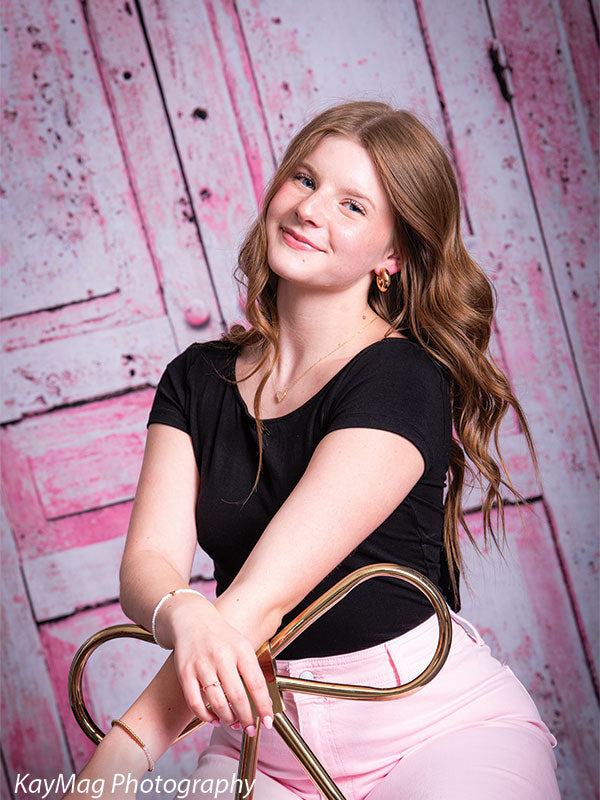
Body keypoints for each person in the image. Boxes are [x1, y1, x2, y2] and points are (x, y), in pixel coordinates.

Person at [65, 101, 560, 799]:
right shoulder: (194, 380)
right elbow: (148, 566)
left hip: (431, 726)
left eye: (353, 205)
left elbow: (264, 601)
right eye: (304, 179)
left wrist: (115, 764)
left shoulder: (402, 379)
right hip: (264, 744)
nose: (310, 208)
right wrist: (186, 614)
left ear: (393, 254)